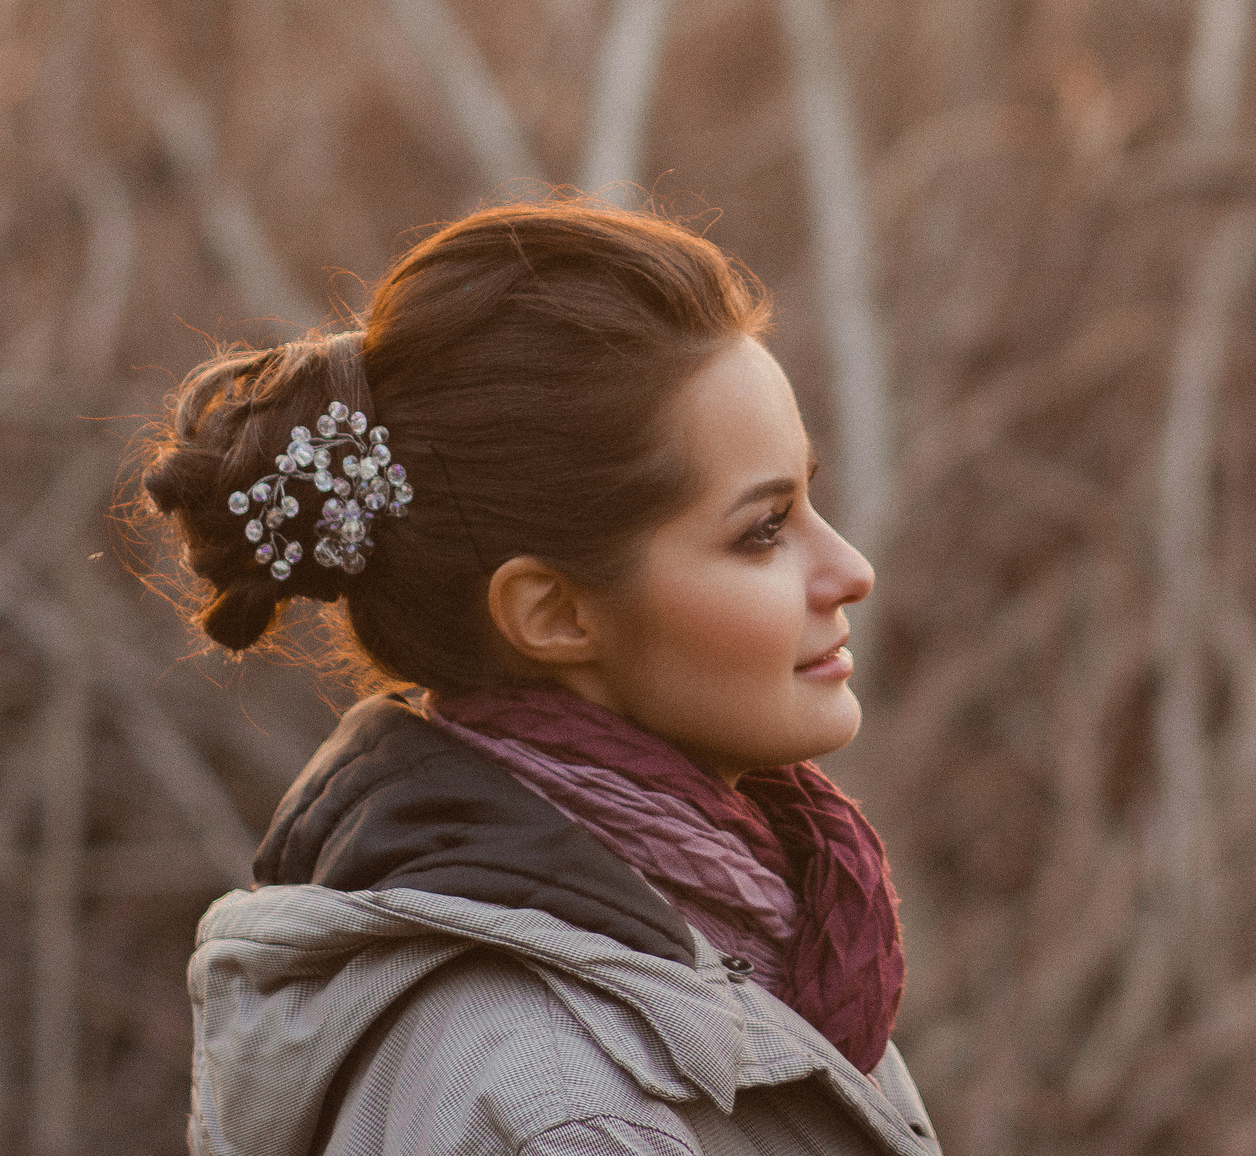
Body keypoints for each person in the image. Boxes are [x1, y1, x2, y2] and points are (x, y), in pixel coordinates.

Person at [138, 200, 935, 1156]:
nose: (851, 567)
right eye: (763, 530)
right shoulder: (560, 1110)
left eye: (811, 497)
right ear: (554, 615)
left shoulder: (750, 941)